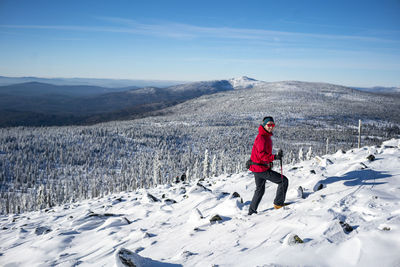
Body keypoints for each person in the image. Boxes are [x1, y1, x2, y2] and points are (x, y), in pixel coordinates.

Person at [248, 116, 289, 215]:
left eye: (272, 125)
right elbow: (262, 155)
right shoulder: (262, 137)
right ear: (264, 125)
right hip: (260, 168)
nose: (271, 127)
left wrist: (272, 158)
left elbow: (262, 154)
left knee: (260, 190)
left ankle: (251, 212)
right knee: (283, 181)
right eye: (269, 125)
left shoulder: (266, 136)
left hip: (258, 167)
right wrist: (274, 157)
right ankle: (278, 204)